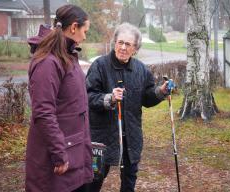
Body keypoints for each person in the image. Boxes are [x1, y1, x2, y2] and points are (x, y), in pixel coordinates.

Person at [85, 22, 169, 192]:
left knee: (129, 182)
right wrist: (109, 98)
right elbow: (87, 96)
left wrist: (160, 91)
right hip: (103, 136)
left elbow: (147, 97)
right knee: (93, 181)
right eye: (120, 42)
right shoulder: (100, 66)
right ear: (114, 43)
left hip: (131, 136)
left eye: (128, 44)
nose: (123, 47)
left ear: (135, 48)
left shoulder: (141, 70)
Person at [25, 4, 93, 192]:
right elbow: (43, 112)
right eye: (84, 30)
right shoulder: (48, 61)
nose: (85, 36)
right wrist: (60, 153)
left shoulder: (67, 56)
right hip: (56, 161)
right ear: (73, 27)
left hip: (73, 154)